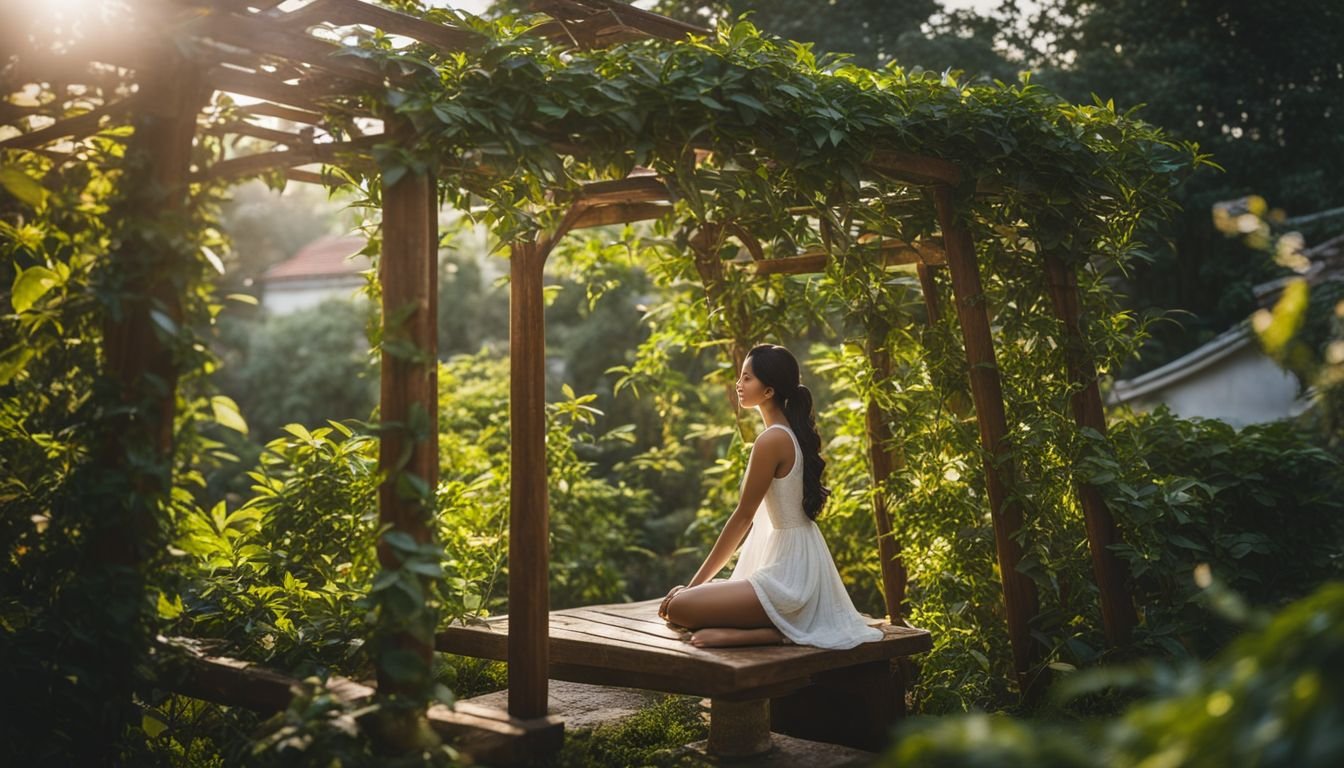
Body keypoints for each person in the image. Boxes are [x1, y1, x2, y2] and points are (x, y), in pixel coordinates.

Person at [658, 344, 884, 650]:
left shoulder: (773, 439)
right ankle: (775, 625)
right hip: (795, 562)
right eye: (740, 377)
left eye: (748, 378)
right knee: (681, 605)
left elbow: (743, 518)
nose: (739, 384)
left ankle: (775, 633)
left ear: (768, 391)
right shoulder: (786, 433)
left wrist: (693, 586)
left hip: (790, 574)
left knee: (679, 607)